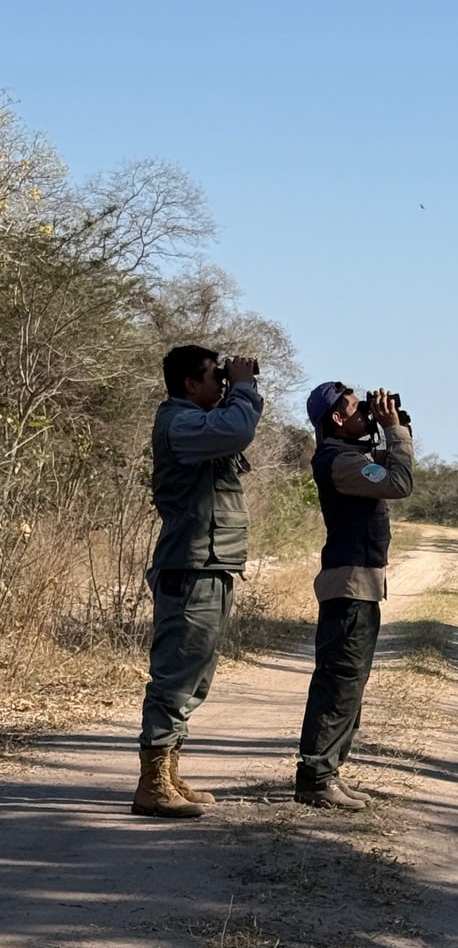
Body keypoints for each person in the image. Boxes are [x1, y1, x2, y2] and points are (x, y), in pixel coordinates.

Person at [132, 345, 263, 819]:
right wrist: (244, 386)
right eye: (215, 377)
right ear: (190, 384)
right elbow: (239, 428)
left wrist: (237, 389)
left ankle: (168, 771)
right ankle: (152, 783)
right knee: (176, 674)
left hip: (207, 567)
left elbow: (233, 427)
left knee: (194, 675)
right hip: (189, 569)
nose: (223, 384)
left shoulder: (197, 423)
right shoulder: (181, 424)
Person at [295, 383, 414, 809]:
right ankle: (315, 777)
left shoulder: (348, 458)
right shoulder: (338, 461)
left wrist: (397, 428)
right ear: (338, 420)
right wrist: (392, 431)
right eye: (354, 407)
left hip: (358, 583)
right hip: (348, 586)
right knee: (339, 683)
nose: (365, 412)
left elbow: (388, 469)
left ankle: (328, 772)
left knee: (350, 684)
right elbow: (399, 482)